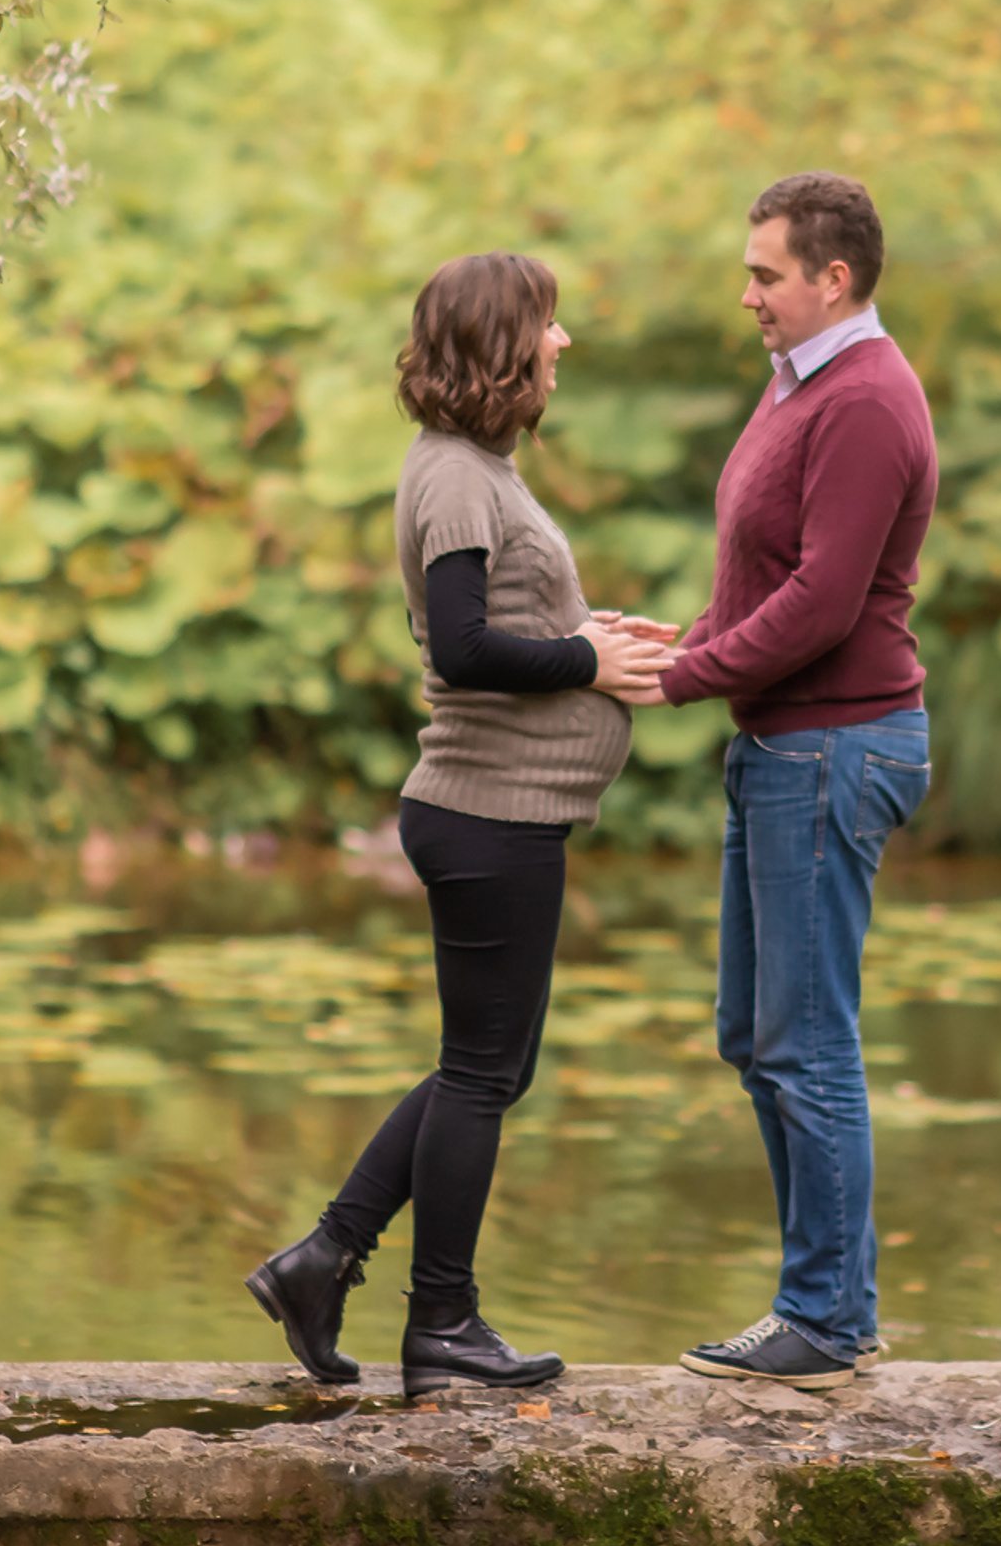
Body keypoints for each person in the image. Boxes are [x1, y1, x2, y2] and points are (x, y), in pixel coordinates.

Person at [244, 253, 674, 1399]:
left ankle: (324, 1259)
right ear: (501, 342)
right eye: (547, 322)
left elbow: (504, 621)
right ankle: (440, 1322)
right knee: (482, 1072)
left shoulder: (477, 467)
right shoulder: (453, 481)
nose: (562, 342)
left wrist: (593, 631)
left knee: (486, 1067)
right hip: (487, 813)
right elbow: (465, 646)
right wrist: (587, 658)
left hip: (503, 813)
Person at [661, 174, 938, 1392]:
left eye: (766, 273)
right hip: (783, 739)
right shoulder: (801, 388)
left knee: (806, 1039)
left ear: (834, 279)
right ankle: (836, 1306)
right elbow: (765, 573)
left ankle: (822, 1317)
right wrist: (677, 642)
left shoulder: (868, 400)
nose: (748, 293)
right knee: (754, 1031)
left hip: (834, 742)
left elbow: (825, 605)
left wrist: (680, 683)